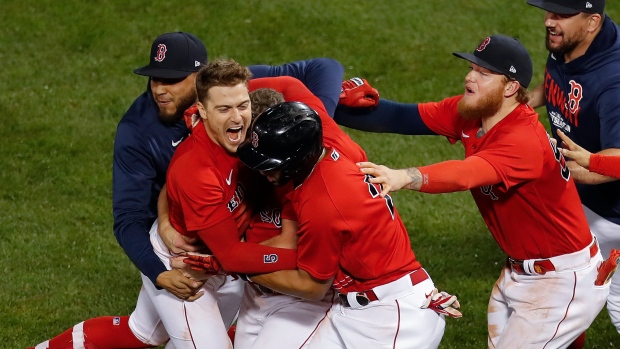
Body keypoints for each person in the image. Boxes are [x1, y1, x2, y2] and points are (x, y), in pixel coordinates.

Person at [28, 31, 346, 348]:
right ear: (202, 111)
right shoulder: (187, 158)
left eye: (242, 106)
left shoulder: (235, 98)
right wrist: (304, 260)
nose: (237, 115)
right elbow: (223, 248)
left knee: (145, 333)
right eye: (155, 79)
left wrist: (315, 122)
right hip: (188, 263)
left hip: (222, 253)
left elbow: (321, 71)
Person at [342, 34, 608, 348]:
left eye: (483, 73)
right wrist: (323, 100)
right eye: (471, 68)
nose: (470, 76)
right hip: (523, 273)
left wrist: (404, 176)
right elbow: (402, 116)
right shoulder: (472, 114)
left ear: (510, 87)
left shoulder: (523, 141)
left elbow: (466, 174)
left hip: (563, 281)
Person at [231, 100, 458, 349]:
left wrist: (244, 268)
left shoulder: (322, 203)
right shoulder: (332, 156)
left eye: (271, 165)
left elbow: (311, 286)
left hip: (393, 319)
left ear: (297, 159)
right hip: (358, 307)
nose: (264, 171)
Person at [525, 0, 620, 335]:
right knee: (562, 297)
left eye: (562, 15)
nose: (550, 22)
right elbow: (555, 84)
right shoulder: (571, 41)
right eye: (549, 12)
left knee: (573, 298)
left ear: (592, 21)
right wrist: (519, 103)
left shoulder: (613, 82)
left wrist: (554, 166)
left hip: (610, 215)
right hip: (581, 202)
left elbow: (616, 161)